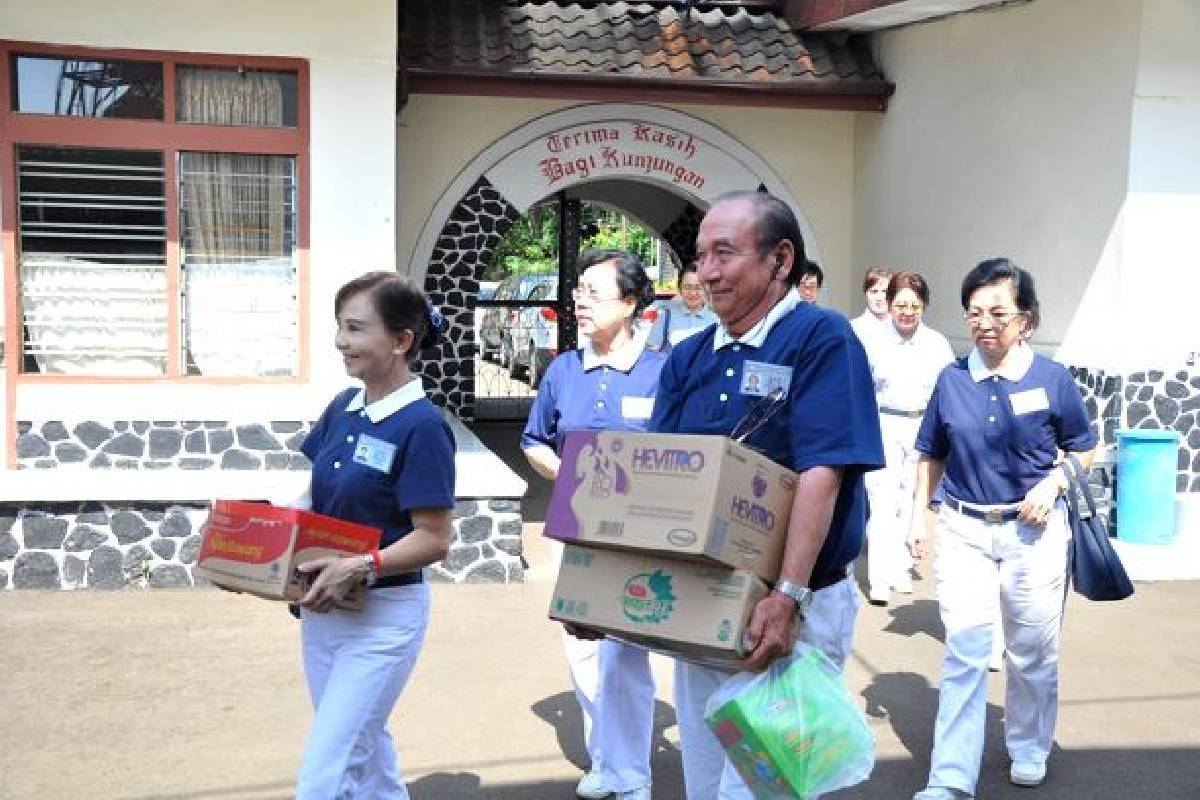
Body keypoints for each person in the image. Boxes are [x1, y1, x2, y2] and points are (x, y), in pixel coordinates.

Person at [650, 190, 884, 799]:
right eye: (701, 256)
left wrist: (788, 595)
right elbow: (658, 482)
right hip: (706, 601)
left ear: (781, 261)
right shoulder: (688, 357)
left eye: (724, 253)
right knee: (705, 783)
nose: (707, 271)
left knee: (764, 788)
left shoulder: (821, 338)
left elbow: (822, 471)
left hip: (792, 609)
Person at [908, 259, 1097, 800]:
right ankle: (948, 778)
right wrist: (919, 517)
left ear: (1027, 321)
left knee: (1031, 651)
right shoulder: (952, 379)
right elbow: (930, 453)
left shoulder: (1051, 379)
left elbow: (1084, 450)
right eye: (974, 312)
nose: (985, 322)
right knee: (965, 651)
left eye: (998, 312)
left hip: (1033, 533)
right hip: (965, 530)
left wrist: (1053, 483)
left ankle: (1030, 744)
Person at [289, 272, 456, 799]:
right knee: (365, 748)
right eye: (341, 327)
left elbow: (434, 538)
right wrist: (262, 536)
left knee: (327, 768)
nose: (342, 341)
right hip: (323, 610)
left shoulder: (422, 426)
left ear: (401, 340)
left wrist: (362, 564)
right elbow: (315, 496)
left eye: (357, 328)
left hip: (384, 618)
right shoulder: (344, 406)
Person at [522, 249, 666, 800]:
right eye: (579, 291)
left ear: (630, 304)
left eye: (593, 292)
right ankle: (605, 760)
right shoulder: (564, 369)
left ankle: (633, 775)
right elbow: (534, 440)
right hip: (575, 525)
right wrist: (567, 473)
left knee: (626, 650)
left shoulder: (661, 371)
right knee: (582, 647)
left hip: (637, 534)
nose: (580, 302)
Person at [861, 271, 954, 606]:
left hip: (922, 428)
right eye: (900, 304)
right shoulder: (872, 341)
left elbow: (947, 392)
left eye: (914, 305)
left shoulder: (936, 344)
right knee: (883, 500)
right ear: (889, 305)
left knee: (911, 499)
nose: (907, 311)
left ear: (924, 307)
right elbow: (861, 390)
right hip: (883, 424)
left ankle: (900, 566)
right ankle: (879, 578)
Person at [647, 261, 719, 350]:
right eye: (687, 287)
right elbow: (652, 353)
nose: (692, 293)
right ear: (680, 289)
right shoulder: (666, 316)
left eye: (698, 287)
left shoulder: (717, 321)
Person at [850, 265, 894, 344]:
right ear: (865, 293)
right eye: (874, 291)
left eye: (885, 291)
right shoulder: (852, 329)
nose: (879, 298)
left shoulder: (903, 327)